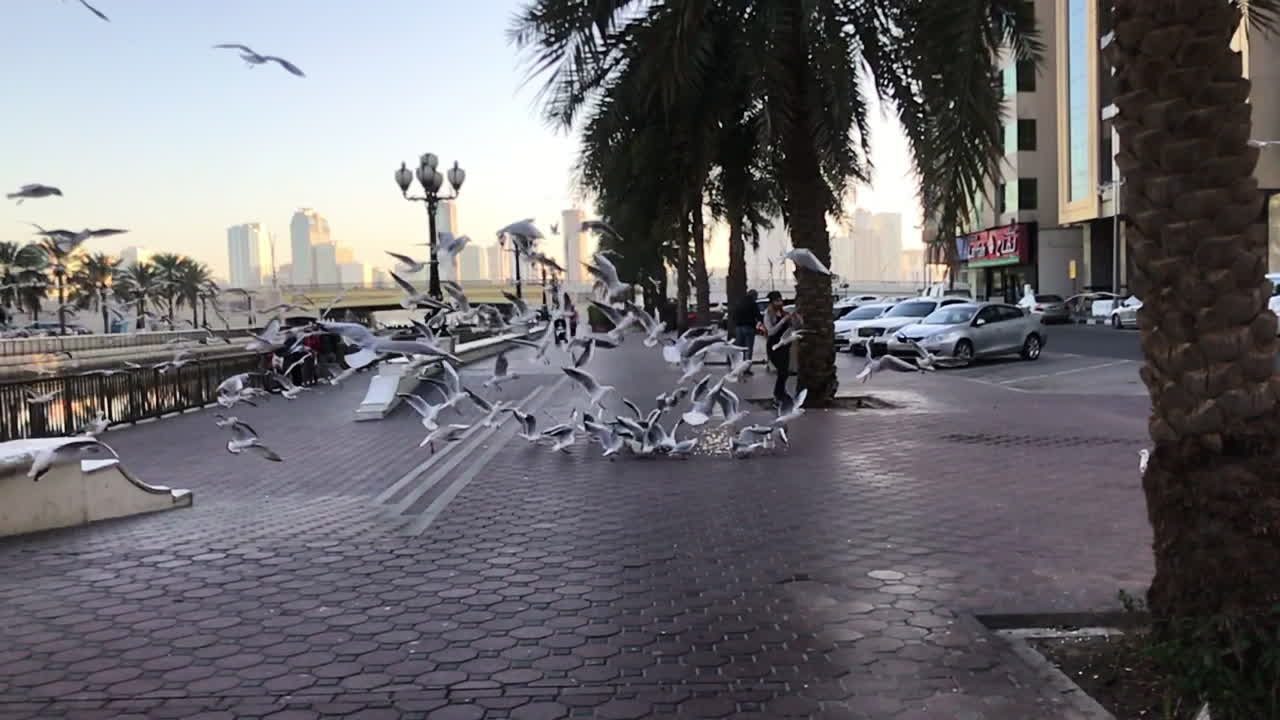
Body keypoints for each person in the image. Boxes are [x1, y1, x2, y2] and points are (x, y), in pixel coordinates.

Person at [763, 291, 797, 402]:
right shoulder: (768, 314)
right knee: (782, 371)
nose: (779, 303)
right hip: (774, 347)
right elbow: (771, 332)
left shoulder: (783, 313)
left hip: (784, 345)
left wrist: (793, 319)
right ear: (772, 302)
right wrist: (782, 321)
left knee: (785, 371)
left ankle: (781, 392)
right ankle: (778, 394)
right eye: (777, 301)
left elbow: (791, 328)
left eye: (780, 300)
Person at [731, 290, 761, 375]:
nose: (757, 298)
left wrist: (736, 324)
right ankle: (746, 369)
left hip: (739, 328)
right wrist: (760, 322)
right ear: (754, 296)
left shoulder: (739, 302)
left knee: (740, 349)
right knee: (748, 349)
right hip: (749, 327)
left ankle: (738, 367)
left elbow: (734, 314)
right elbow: (758, 315)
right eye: (756, 296)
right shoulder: (752, 303)